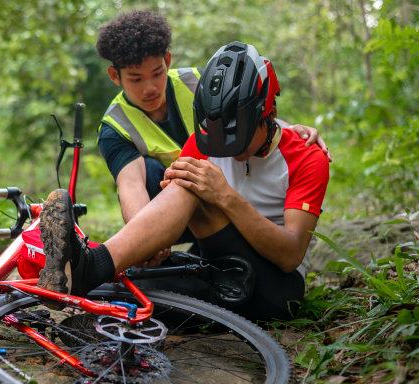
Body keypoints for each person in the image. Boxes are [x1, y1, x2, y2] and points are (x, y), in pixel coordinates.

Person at [37, 41, 330, 322]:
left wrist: (226, 197)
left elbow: (291, 255)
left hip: (276, 289)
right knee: (139, 277)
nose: (230, 152)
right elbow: (156, 196)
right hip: (221, 267)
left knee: (192, 186)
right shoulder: (205, 139)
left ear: (270, 116)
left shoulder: (307, 157)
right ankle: (90, 285)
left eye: (239, 143)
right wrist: (151, 246)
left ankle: (91, 266)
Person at [95, 9, 330, 229]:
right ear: (115, 76)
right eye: (136, 79)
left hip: (222, 198)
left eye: (157, 74)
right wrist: (143, 235)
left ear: (167, 60)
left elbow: (250, 115)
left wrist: (289, 130)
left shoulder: (201, 83)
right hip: (169, 209)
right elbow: (132, 186)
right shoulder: (115, 126)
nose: (150, 88)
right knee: (149, 169)